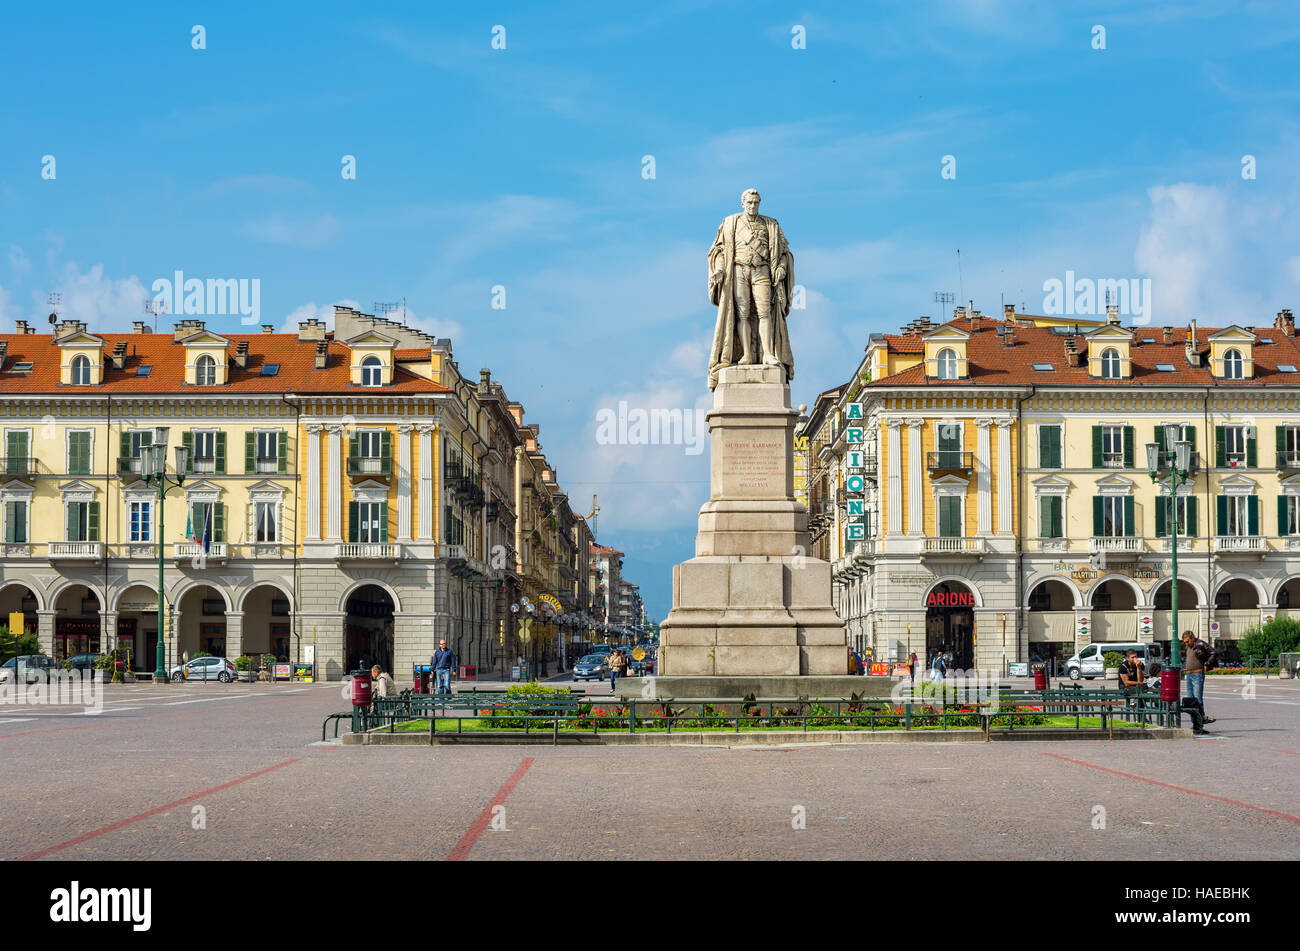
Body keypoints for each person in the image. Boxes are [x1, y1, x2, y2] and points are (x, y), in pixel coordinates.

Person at [1180, 630, 1216, 727]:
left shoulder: (1200, 643)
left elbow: (1213, 652)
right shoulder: (1189, 647)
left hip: (1197, 674)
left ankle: (1199, 724)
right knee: (1191, 701)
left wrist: (1207, 664)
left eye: (1187, 641)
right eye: (1185, 642)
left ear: (1192, 638)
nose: (1186, 644)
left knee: (1197, 699)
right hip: (1189, 674)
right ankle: (1195, 723)